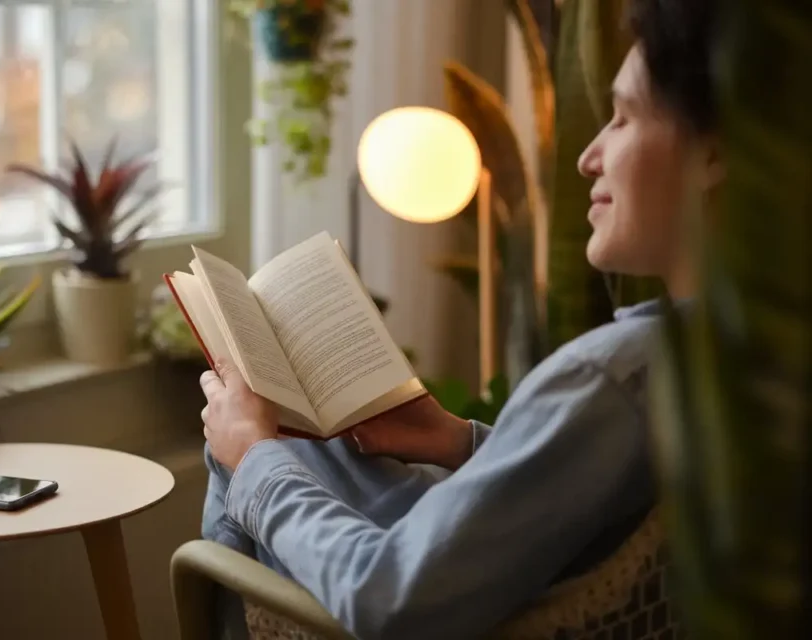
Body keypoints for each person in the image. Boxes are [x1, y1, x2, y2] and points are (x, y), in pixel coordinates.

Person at [198, 0, 721, 637]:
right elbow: (592, 499)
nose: (589, 156)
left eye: (624, 118)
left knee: (245, 439)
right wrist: (455, 439)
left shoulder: (614, 377)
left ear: (718, 152)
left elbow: (390, 599)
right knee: (295, 437)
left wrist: (253, 460)